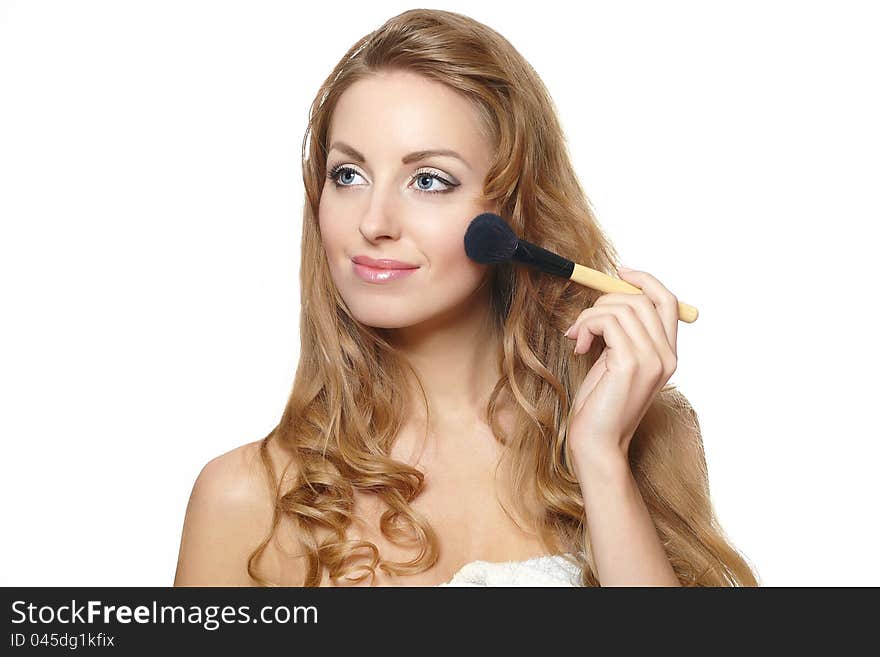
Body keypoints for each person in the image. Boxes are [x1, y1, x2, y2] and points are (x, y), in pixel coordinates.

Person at [173, 8, 759, 587]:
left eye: (429, 180)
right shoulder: (244, 500)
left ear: (515, 213)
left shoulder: (647, 440)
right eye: (348, 175)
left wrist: (602, 462)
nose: (373, 222)